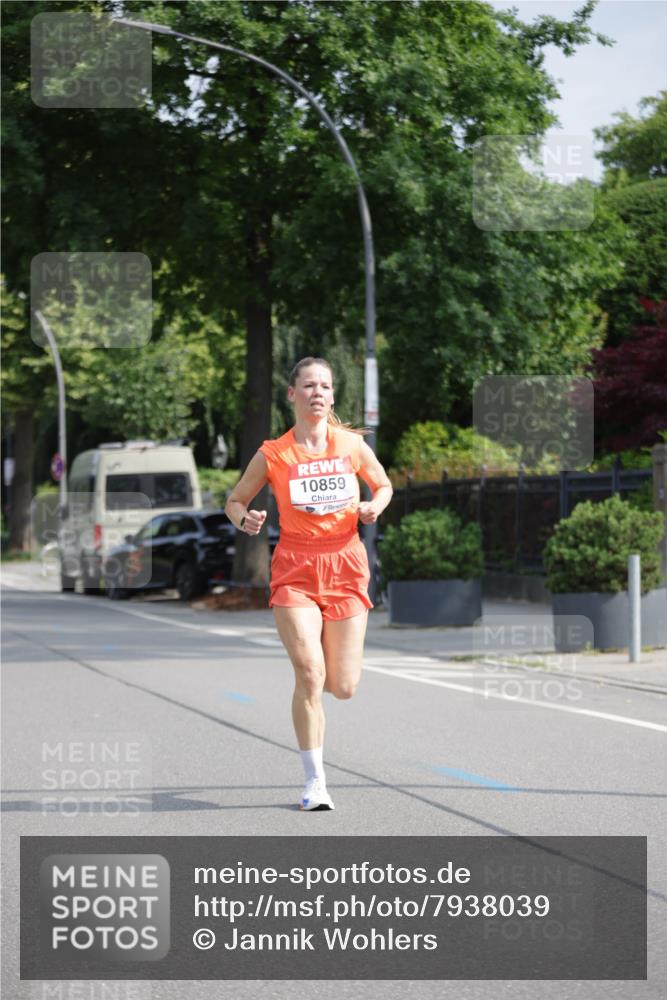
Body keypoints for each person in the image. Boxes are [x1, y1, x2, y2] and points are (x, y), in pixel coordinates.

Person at [225, 357, 393, 810]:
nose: (318, 392)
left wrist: (375, 505)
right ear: (292, 395)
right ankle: (315, 782)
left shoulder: (351, 446)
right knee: (310, 674)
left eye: (325, 386)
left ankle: (320, 695)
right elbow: (235, 499)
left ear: (333, 396)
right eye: (309, 385)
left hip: (345, 563)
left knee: (342, 685)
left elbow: (383, 485)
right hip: (296, 568)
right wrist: (247, 518)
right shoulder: (275, 453)